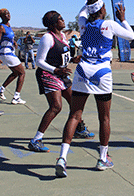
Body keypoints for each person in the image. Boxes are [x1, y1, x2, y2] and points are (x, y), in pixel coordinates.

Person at [55, 0, 134, 177]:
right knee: (104, 117)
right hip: (101, 72)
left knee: (74, 115)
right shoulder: (109, 24)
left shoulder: (83, 24)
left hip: (82, 70)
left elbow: (82, 11)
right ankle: (102, 158)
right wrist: (123, 19)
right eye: (104, 6)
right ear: (102, 11)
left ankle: (62, 158)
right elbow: (131, 36)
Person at [28, 10, 94, 153]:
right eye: (60, 19)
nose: (63, 21)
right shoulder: (47, 37)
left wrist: (72, 60)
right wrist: (56, 70)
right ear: (53, 23)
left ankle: (79, 128)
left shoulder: (63, 36)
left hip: (61, 74)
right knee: (56, 107)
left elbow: (62, 55)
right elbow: (39, 61)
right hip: (48, 74)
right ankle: (36, 139)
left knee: (75, 102)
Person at [0, 9, 26, 105]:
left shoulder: (9, 26)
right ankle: (16, 97)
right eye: (5, 15)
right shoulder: (2, 27)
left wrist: (14, 42)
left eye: (8, 14)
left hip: (9, 52)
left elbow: (9, 38)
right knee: (22, 73)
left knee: (16, 73)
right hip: (5, 52)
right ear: (2, 17)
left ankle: (0, 90)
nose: (8, 16)